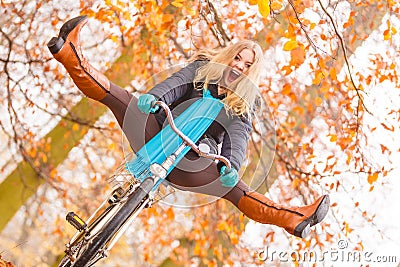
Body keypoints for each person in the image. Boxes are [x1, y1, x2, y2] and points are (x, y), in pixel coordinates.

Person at [47, 15, 329, 238]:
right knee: (121, 99)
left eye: (247, 65)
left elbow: (238, 135)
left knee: (236, 189)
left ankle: (294, 218)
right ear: (229, 55)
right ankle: (69, 53)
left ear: (250, 72)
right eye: (237, 58)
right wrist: (154, 99)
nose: (239, 66)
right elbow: (175, 85)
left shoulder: (245, 103)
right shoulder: (200, 69)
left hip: (194, 161)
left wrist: (231, 165)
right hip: (156, 134)